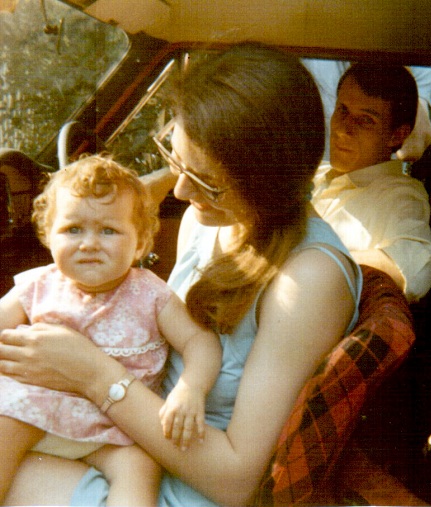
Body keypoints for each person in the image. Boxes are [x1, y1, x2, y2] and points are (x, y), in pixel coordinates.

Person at [0, 42, 362, 506]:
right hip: (129, 434)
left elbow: (236, 481)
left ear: (269, 176)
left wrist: (91, 374)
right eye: (176, 160)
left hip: (179, 485)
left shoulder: (308, 281)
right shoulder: (211, 216)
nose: (180, 188)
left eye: (207, 179)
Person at [0, 155, 222, 506]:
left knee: (141, 467)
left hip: (115, 428)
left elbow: (200, 341)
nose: (89, 243)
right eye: (73, 229)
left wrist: (190, 388)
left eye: (108, 230)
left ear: (140, 242)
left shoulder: (151, 294)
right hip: (36, 410)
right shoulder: (38, 285)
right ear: (48, 235)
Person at [312, 63, 431, 302]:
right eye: (343, 110)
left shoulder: (401, 195)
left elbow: (415, 271)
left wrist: (311, 257)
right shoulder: (314, 175)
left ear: (397, 135)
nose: (343, 130)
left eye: (365, 120)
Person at [303, 59, 431, 161]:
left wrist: (394, 61)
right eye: (342, 110)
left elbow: (413, 148)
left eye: (366, 120)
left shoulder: (413, 57)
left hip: (375, 186)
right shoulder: (311, 41)